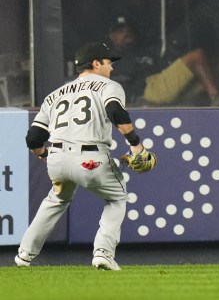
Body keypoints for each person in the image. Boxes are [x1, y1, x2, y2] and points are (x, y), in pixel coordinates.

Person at [15, 42, 148, 270]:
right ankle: (103, 252)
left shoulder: (53, 96)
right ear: (96, 63)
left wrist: (44, 154)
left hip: (57, 159)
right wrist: (136, 144)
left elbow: (33, 138)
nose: (111, 69)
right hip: (90, 159)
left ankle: (24, 254)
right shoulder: (108, 86)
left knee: (55, 200)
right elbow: (115, 111)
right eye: (109, 63)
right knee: (117, 199)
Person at [108, 19, 219, 106]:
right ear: (112, 36)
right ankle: (215, 97)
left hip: (162, 85)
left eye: (129, 32)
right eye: (121, 32)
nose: (127, 36)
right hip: (148, 91)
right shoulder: (111, 58)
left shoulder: (144, 51)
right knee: (196, 56)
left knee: (206, 66)